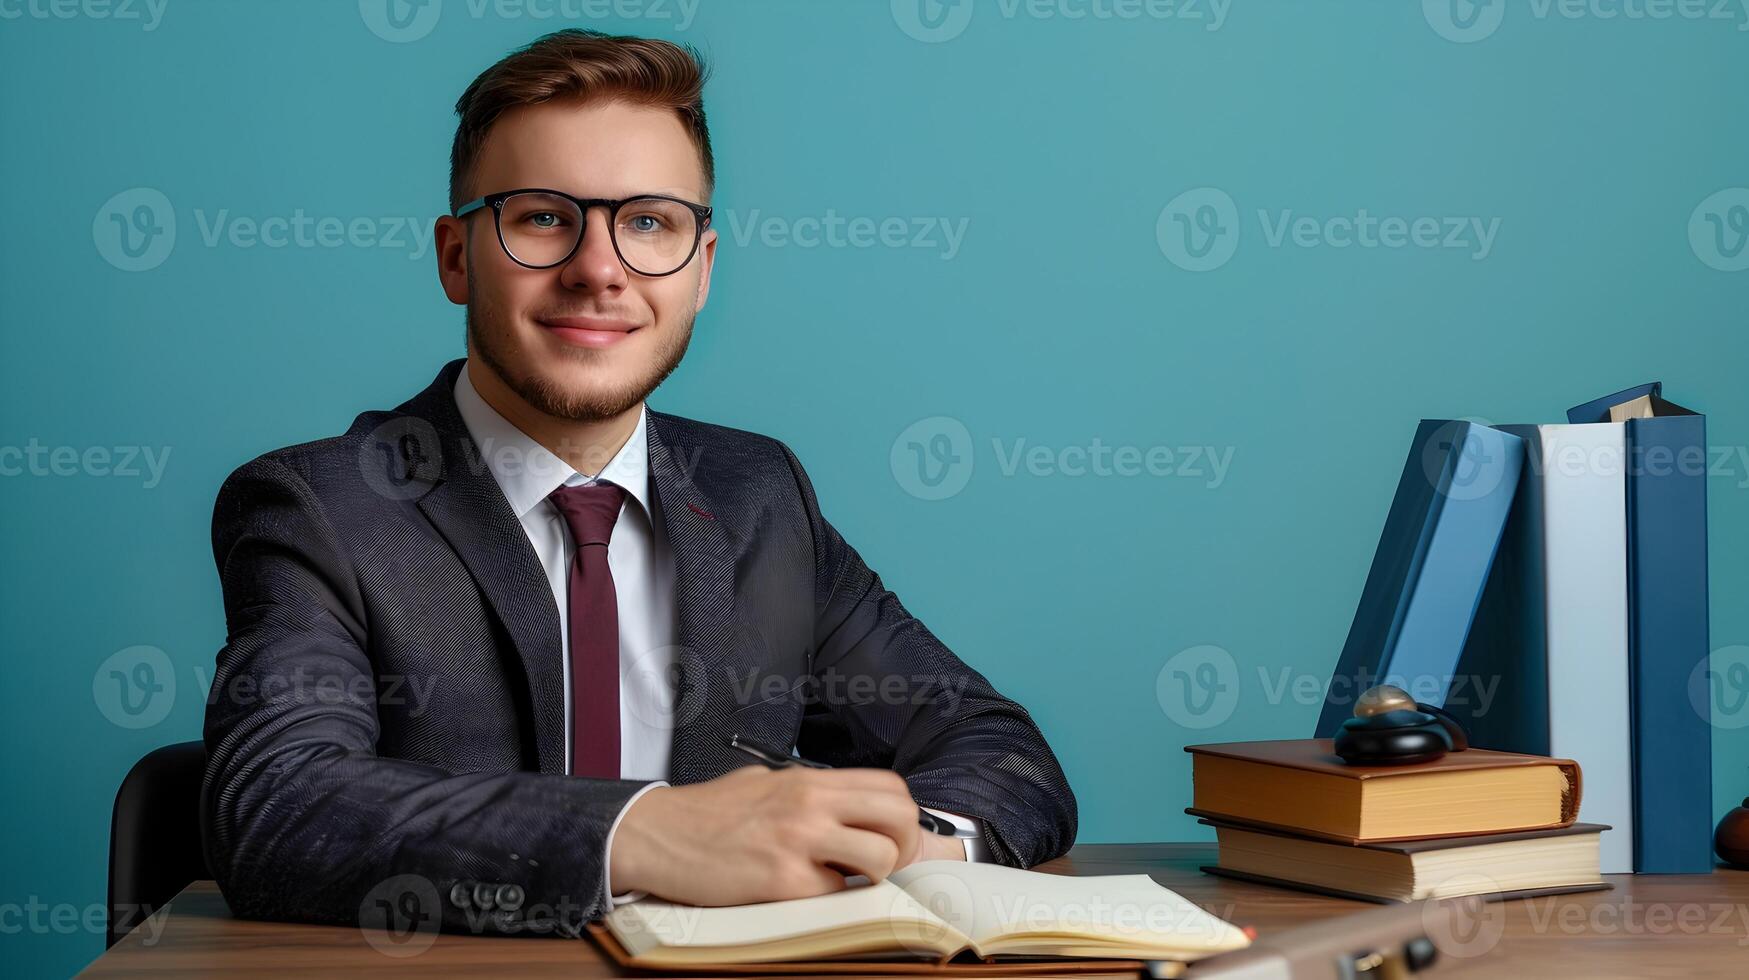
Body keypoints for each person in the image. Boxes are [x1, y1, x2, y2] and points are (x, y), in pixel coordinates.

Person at [202, 29, 1075, 938]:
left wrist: (908, 850)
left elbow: (997, 750)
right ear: (456, 257)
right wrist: (646, 834)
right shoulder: (324, 510)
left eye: (649, 222)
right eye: (542, 216)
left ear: (701, 271)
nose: (598, 268)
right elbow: (281, 806)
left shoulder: (757, 494)